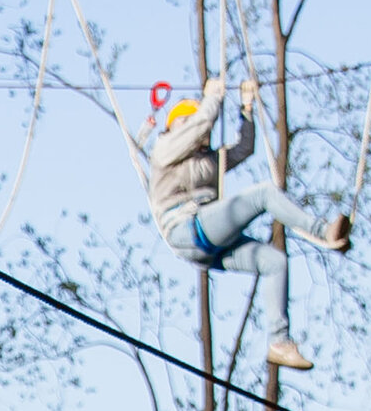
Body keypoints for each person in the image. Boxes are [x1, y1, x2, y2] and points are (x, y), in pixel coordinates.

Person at [147, 75, 348, 374]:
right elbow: (200, 125)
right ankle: (322, 231)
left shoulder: (209, 162)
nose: (197, 130)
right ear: (177, 126)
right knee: (264, 194)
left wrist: (247, 108)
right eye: (187, 122)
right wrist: (212, 99)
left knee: (274, 261)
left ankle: (279, 342)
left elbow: (243, 149)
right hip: (186, 228)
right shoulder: (164, 149)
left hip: (209, 244)